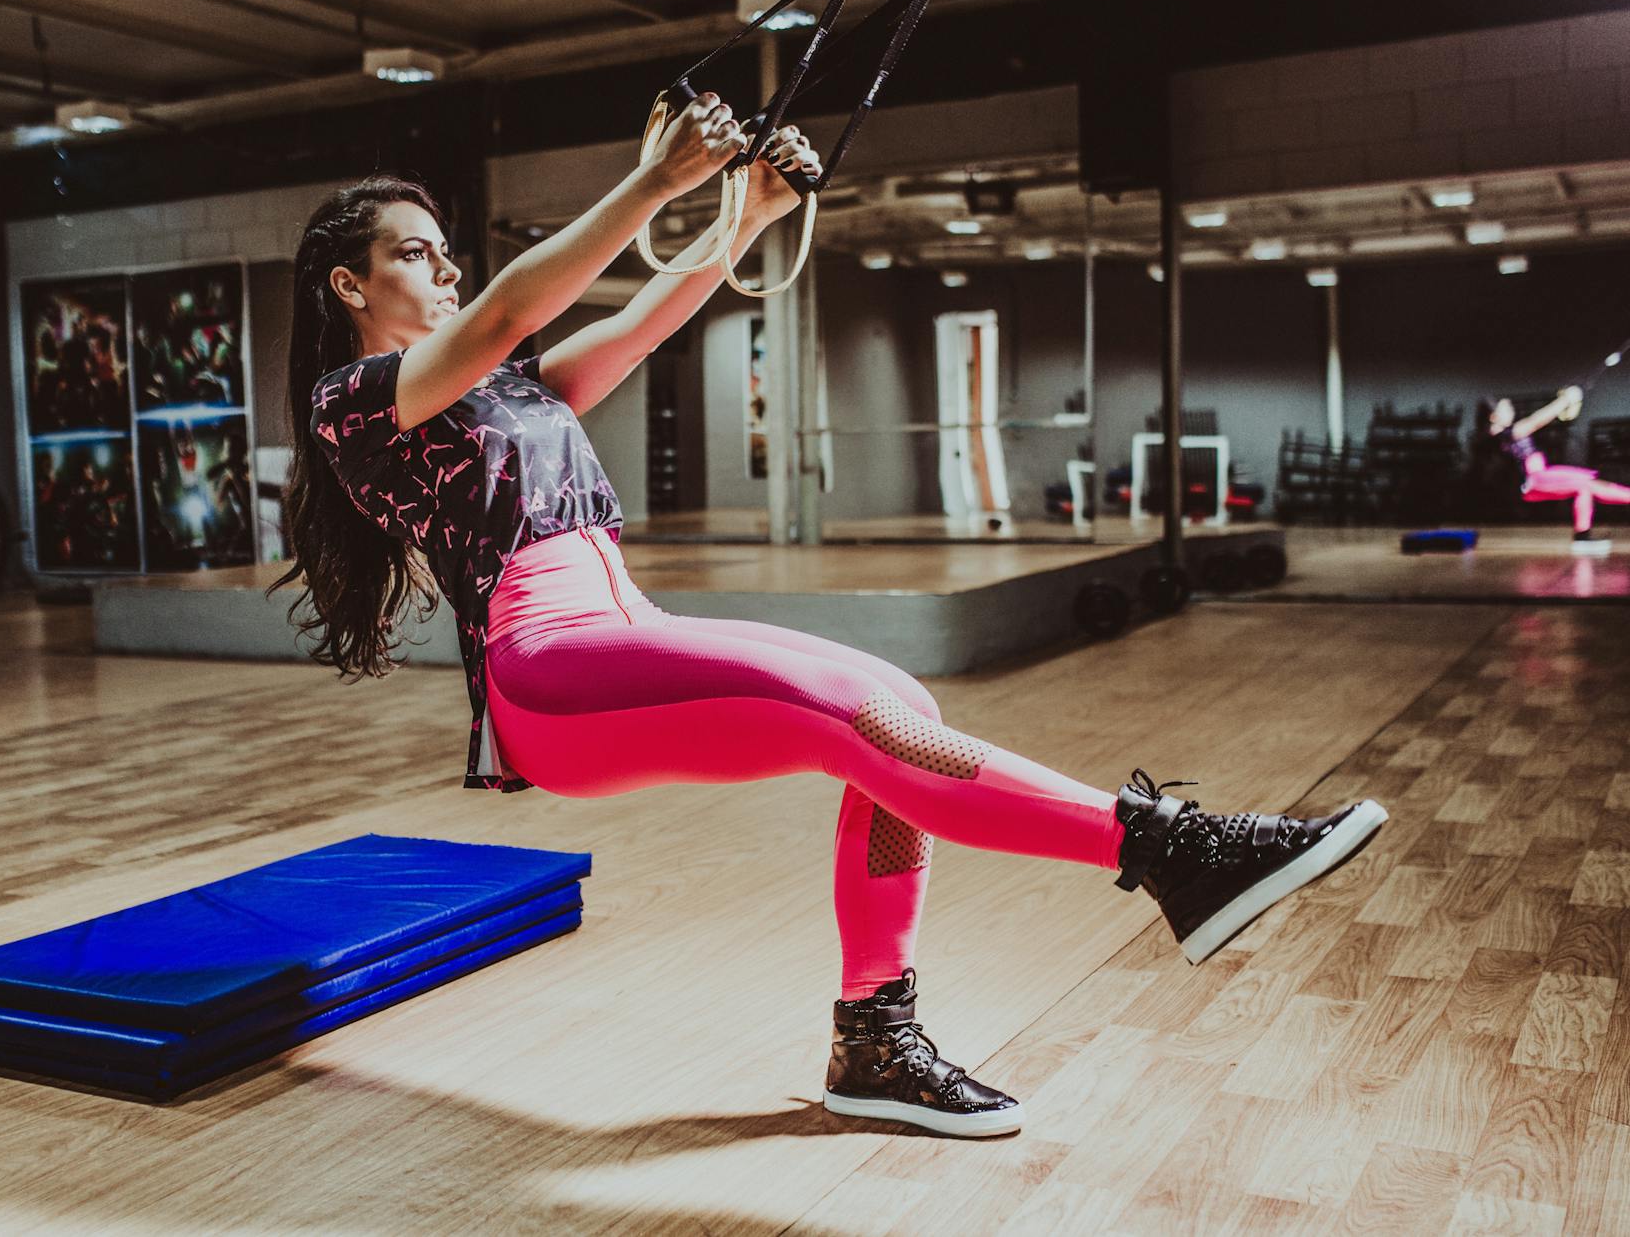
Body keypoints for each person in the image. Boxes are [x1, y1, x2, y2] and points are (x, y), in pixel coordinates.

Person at [271, 94, 1386, 1139]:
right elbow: (516, 301)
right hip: (548, 673)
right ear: (347, 287)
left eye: (443, 248)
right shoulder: (354, 406)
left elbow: (645, 323)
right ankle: (1168, 849)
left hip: (615, 633)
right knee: (849, 711)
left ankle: (874, 1034)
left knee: (894, 705)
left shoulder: (506, 388)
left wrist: (739, 213)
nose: (446, 266)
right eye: (412, 252)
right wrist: (654, 181)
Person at [1488, 385, 1629, 549]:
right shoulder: (1504, 435)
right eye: (1506, 408)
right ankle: (1582, 538)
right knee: (1585, 485)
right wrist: (1565, 400)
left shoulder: (1507, 433)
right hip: (1534, 479)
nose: (1511, 411)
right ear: (1493, 416)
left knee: (1587, 486)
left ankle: (1582, 536)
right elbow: (1536, 420)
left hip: (1541, 474)